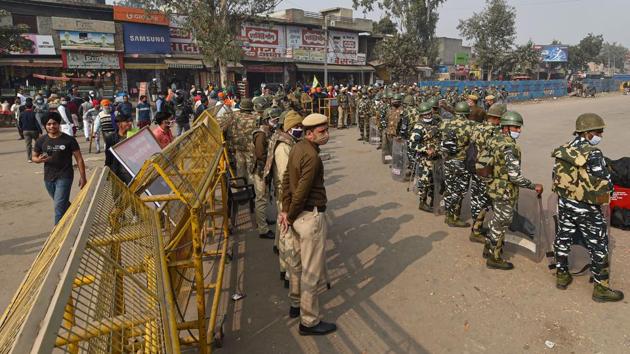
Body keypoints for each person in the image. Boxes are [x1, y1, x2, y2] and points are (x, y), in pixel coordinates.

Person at [551, 113, 623, 302]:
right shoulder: (593, 153)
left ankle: (562, 275)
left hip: (565, 203)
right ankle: (601, 289)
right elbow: (606, 183)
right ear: (589, 133)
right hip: (586, 207)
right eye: (599, 131)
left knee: (563, 237)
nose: (601, 135)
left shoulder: (565, 149)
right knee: (599, 244)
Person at [279, 113, 336, 336]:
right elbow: (301, 191)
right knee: (311, 271)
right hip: (309, 216)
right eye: (322, 132)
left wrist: (285, 210)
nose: (327, 135)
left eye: (327, 130)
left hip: (296, 216)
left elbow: (285, 180)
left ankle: (295, 304)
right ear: (309, 133)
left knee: (295, 264)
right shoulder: (312, 156)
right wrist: (290, 214)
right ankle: (309, 321)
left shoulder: (297, 147)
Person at [484, 111, 542, 270]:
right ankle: (494, 258)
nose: (519, 131)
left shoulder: (494, 139)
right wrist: (532, 185)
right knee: (501, 223)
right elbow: (515, 177)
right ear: (506, 127)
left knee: (496, 219)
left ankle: (489, 247)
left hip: (493, 187)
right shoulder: (510, 147)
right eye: (516, 127)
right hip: (505, 191)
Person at [264, 110, 303, 287]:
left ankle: (284, 269)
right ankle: (287, 272)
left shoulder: (285, 140)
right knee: (288, 236)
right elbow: (287, 176)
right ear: (288, 127)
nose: (299, 129)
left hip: (284, 195)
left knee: (283, 232)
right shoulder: (284, 147)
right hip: (285, 196)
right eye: (297, 126)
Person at [32, 112, 87, 224]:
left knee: (58, 206)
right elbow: (33, 157)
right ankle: (76, 216)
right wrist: (39, 160)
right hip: (48, 177)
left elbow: (79, 159)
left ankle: (57, 233)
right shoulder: (41, 140)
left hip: (65, 176)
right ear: (45, 126)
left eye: (54, 123)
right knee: (62, 203)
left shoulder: (69, 140)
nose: (52, 126)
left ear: (59, 124)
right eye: (49, 124)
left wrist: (83, 177)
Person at [468, 103, 507, 243]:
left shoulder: (477, 127)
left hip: (475, 168)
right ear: (499, 117)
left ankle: (476, 226)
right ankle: (476, 230)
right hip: (488, 171)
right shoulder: (497, 132)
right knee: (485, 200)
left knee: (477, 198)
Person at [439, 102, 474, 227]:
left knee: (450, 188)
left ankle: (448, 215)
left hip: (448, 161)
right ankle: (454, 218)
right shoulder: (470, 126)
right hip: (462, 162)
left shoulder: (445, 123)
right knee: (460, 191)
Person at [252, 103, 279, 239]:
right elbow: (260, 155)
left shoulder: (268, 131)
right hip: (260, 170)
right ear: (266, 120)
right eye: (274, 120)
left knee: (265, 196)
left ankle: (263, 220)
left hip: (264, 169)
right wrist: (266, 172)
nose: (276, 123)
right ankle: (262, 229)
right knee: (261, 198)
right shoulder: (261, 134)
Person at [408, 102, 441, 212]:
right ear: (421, 115)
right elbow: (412, 144)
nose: (428, 115)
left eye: (429, 113)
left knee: (435, 181)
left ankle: (433, 200)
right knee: (425, 181)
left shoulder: (435, 123)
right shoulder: (419, 127)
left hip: (436, 158)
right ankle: (422, 202)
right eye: (425, 114)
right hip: (425, 159)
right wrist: (425, 149)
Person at [105, 113, 133, 184]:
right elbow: (108, 156)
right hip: (116, 172)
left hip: (130, 172)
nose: (130, 123)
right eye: (126, 122)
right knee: (116, 194)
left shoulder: (133, 136)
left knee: (132, 194)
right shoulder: (111, 138)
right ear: (119, 124)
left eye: (130, 121)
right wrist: (107, 170)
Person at [19, 98, 43, 162]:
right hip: (34, 130)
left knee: (28, 145)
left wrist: (22, 130)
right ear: (32, 106)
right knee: (38, 143)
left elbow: (20, 123)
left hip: (25, 131)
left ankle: (29, 158)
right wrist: (40, 131)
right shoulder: (34, 113)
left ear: (25, 106)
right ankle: (39, 155)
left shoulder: (22, 114)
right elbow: (38, 123)